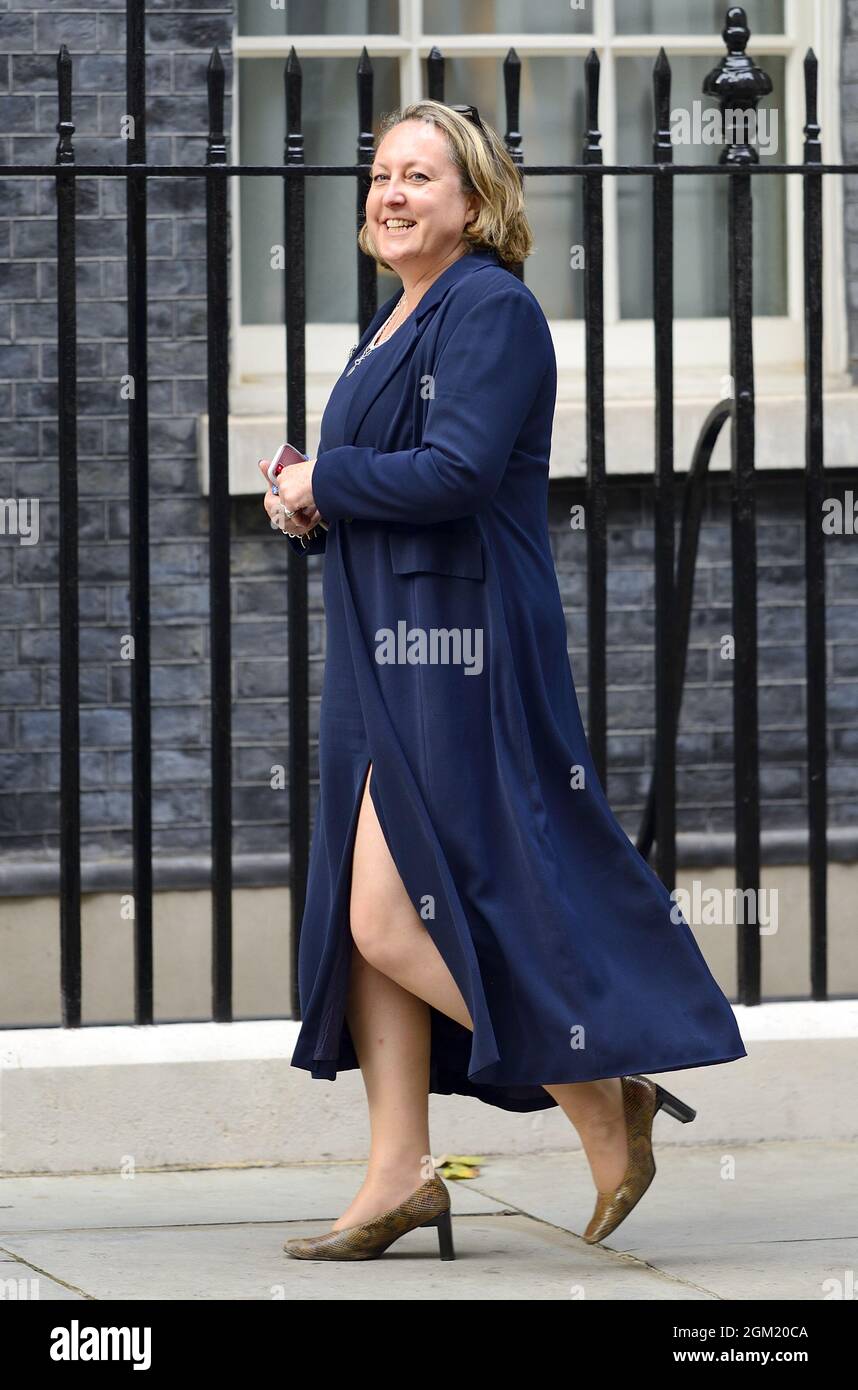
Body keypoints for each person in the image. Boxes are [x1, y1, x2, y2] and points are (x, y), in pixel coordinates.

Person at [260, 100, 747, 1261]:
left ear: (475, 202)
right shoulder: (396, 317)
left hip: (459, 639)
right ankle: (397, 1175)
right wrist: (309, 503)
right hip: (381, 633)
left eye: (418, 176)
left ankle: (600, 1094)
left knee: (395, 907)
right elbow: (382, 482)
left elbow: (459, 470)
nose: (390, 194)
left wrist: (328, 475)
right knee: (361, 917)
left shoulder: (493, 308)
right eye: (380, 174)